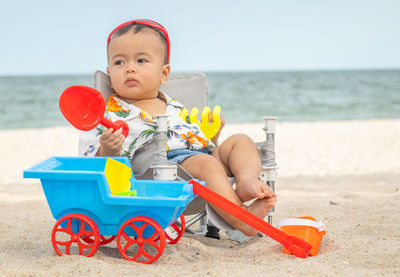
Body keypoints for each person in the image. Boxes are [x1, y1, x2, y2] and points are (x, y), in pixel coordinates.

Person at [79, 19, 277, 237]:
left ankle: (246, 179)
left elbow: (197, 141)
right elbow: (92, 165)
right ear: (109, 72)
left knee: (240, 141)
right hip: (160, 173)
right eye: (119, 63)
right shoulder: (111, 113)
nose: (130, 68)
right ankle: (243, 221)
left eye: (141, 60)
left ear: (164, 74)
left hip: (201, 158)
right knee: (207, 164)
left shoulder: (173, 105)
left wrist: (214, 136)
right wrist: (107, 149)